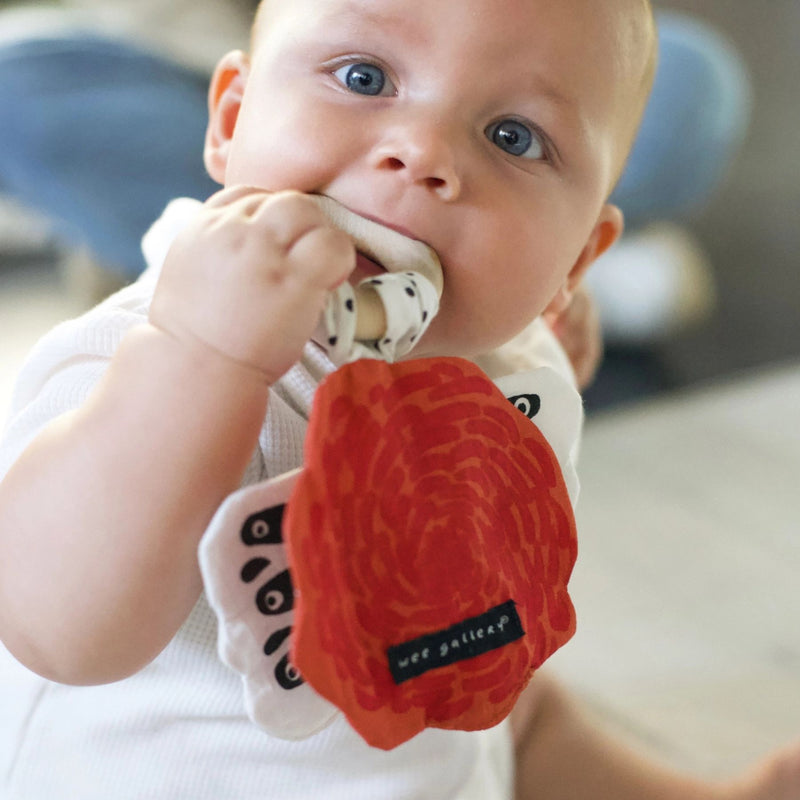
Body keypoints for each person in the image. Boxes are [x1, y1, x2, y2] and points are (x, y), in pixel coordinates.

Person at [0, 1, 797, 798]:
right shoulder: (147, 349)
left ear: (574, 262)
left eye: (512, 136)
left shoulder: (499, 346)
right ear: (232, 122)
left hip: (430, 709)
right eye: (363, 77)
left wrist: (546, 352)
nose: (422, 154)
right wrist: (200, 356)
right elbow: (59, 631)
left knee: (523, 713)